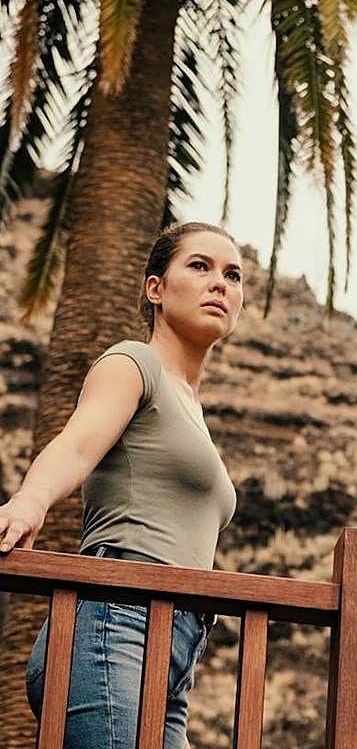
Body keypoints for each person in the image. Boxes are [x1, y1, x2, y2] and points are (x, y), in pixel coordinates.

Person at [0, 222, 244, 748]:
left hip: (175, 645)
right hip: (115, 624)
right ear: (155, 288)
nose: (219, 284)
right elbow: (77, 444)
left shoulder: (190, 408)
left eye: (232, 275)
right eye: (199, 266)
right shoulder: (134, 362)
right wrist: (29, 501)